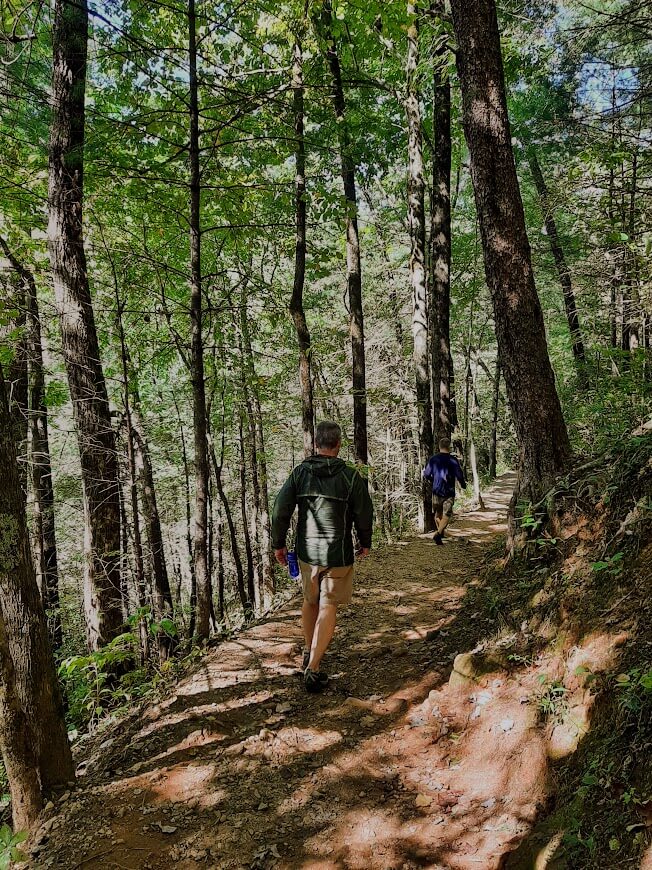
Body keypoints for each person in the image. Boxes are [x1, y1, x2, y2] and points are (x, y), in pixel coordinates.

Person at [271, 421, 373, 693]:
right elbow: (364, 513)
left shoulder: (300, 474)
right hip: (338, 554)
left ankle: (308, 650)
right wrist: (365, 543)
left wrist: (278, 545)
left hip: (307, 554)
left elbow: (280, 510)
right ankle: (313, 667)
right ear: (338, 444)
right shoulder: (351, 477)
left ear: (315, 444)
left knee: (309, 600)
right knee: (328, 605)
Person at [423, 437, 467, 545]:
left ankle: (439, 533)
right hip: (449, 491)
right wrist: (463, 484)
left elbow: (426, 474)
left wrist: (433, 480)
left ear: (439, 446)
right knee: (447, 514)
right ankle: (439, 533)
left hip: (436, 490)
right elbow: (459, 475)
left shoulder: (433, 459)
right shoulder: (453, 460)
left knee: (438, 513)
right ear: (449, 447)